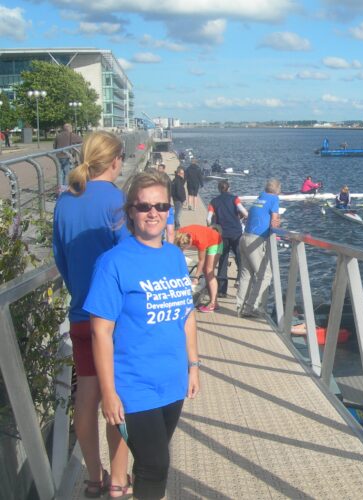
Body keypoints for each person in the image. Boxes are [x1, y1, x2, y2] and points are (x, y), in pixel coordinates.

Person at [86, 171, 200, 500]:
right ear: (130, 211)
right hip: (134, 385)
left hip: (172, 381)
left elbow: (187, 314)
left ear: (169, 211)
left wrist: (193, 365)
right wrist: (108, 393)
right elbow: (101, 332)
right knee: (156, 465)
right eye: (144, 206)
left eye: (161, 206)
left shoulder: (175, 256)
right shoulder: (113, 263)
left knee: (152, 458)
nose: (153, 213)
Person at [52, 130, 130, 497]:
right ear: (115, 161)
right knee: (117, 398)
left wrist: (79, 293)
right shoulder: (116, 201)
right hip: (114, 320)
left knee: (86, 396)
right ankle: (118, 480)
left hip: (81, 313)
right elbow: (129, 262)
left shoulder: (65, 202)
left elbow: (61, 259)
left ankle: (93, 477)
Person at [237, 178, 281, 318]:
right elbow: (274, 220)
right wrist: (277, 227)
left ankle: (239, 306)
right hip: (256, 239)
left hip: (244, 237)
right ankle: (252, 307)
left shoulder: (260, 197)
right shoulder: (274, 199)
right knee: (265, 275)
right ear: (277, 190)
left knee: (246, 274)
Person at [207, 180, 248, 298]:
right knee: (240, 258)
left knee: (223, 260)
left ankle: (221, 290)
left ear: (219, 189)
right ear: (228, 188)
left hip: (222, 234)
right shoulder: (235, 199)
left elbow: (208, 219)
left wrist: (213, 227)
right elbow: (244, 212)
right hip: (236, 232)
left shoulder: (213, 201)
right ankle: (240, 281)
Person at [174, 225, 223, 313]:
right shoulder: (179, 234)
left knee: (208, 271)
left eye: (186, 247)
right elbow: (177, 252)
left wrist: (196, 277)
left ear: (191, 242)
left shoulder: (201, 241)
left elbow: (201, 260)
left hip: (216, 241)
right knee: (205, 271)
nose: (185, 249)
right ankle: (213, 300)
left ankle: (213, 303)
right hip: (207, 236)